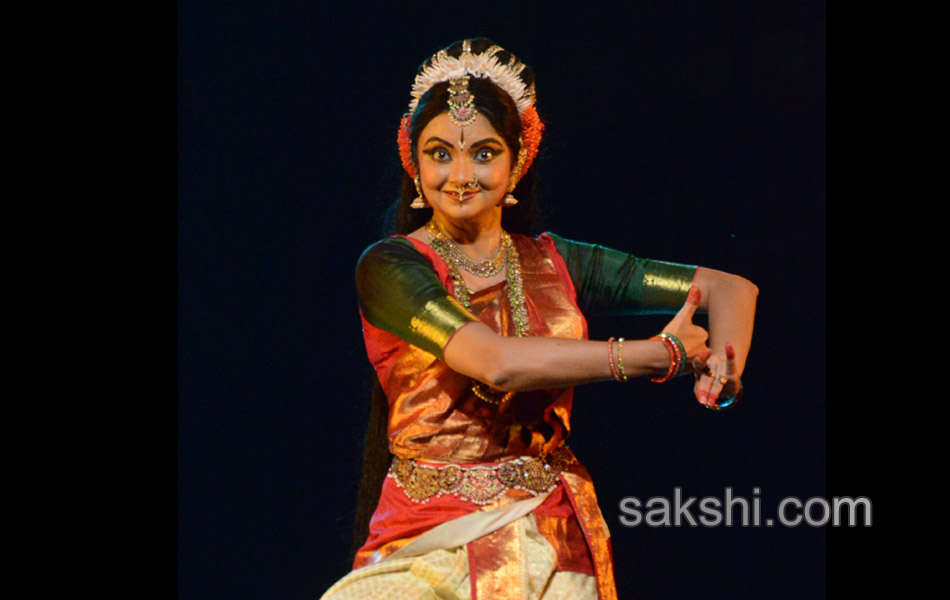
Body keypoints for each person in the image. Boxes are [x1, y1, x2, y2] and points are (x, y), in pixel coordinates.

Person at [321, 38, 758, 600]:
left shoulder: (556, 262)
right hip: (425, 539)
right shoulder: (390, 268)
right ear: (413, 159)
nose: (460, 174)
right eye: (438, 153)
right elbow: (494, 363)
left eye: (483, 153)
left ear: (517, 161)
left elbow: (728, 288)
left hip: (549, 540)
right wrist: (658, 355)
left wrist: (721, 369)